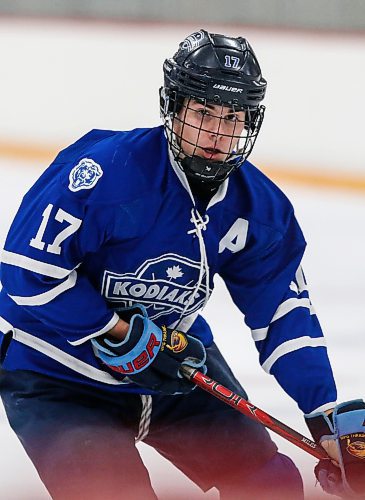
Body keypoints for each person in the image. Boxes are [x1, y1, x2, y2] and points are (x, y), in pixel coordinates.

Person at [0, 28, 363, 500]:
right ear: (173, 109)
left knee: (268, 485)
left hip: (173, 363)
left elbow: (283, 314)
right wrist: (116, 330)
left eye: (233, 116)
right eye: (203, 112)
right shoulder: (107, 175)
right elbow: (27, 272)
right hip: (58, 373)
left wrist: (325, 418)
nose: (217, 132)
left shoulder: (260, 209)